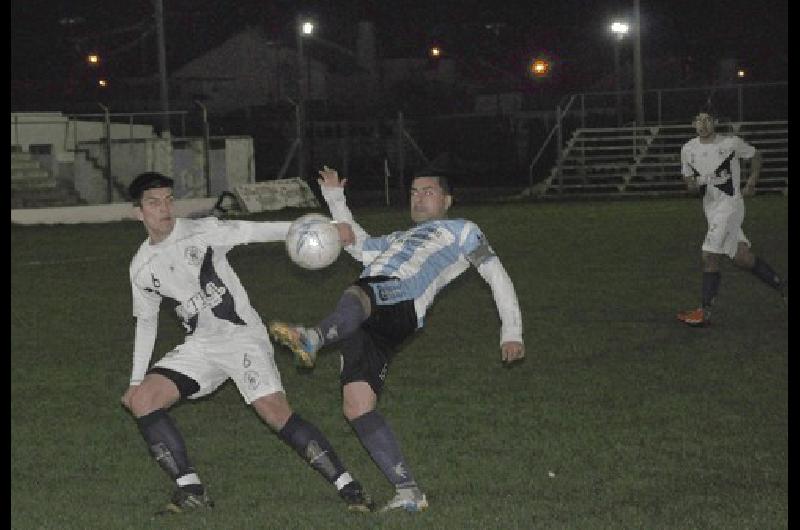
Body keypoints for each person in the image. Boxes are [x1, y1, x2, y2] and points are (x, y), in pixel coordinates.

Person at [268, 162, 525, 513]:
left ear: (448, 200)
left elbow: (496, 274)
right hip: (368, 321)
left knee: (359, 292)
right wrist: (334, 197)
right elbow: (358, 244)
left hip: (399, 299)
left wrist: (511, 331)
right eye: (414, 192)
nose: (418, 199)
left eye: (428, 192)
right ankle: (408, 491)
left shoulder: (463, 231)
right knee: (357, 406)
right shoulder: (398, 238)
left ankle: (312, 338)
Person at [121, 171, 373, 514]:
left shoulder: (202, 230)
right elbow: (147, 321)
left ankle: (350, 488)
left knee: (274, 412)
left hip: (242, 339)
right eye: (153, 203)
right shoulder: (141, 267)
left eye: (168, 200)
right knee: (143, 400)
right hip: (201, 345)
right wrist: (135, 381)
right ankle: (190, 489)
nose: (164, 208)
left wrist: (327, 229)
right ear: (138, 212)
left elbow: (257, 230)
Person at [677, 112, 787, 327]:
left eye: (708, 120)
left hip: (730, 206)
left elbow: (756, 155)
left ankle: (704, 312)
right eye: (699, 120)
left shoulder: (730, 143)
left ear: (715, 123)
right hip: (711, 209)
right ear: (693, 124)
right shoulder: (688, 149)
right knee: (742, 257)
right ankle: (782, 287)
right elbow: (688, 180)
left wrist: (752, 182)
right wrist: (691, 185)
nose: (704, 124)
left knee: (709, 255)